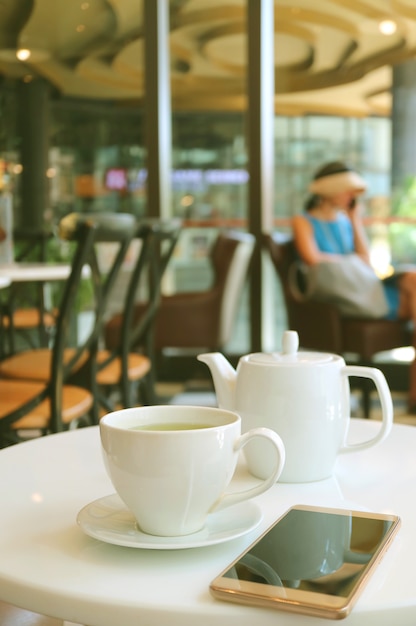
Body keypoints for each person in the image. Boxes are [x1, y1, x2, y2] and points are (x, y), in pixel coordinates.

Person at [292, 160, 416, 412]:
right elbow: (312, 259)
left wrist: (355, 220)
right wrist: (351, 260)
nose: (351, 197)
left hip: (363, 285)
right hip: (344, 293)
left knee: (413, 278)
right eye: (348, 191)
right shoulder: (302, 221)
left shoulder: (345, 220)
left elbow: (365, 260)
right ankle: (414, 391)